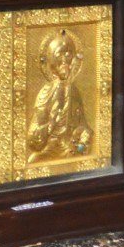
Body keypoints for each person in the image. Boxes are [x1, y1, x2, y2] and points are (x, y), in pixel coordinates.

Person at [27, 28, 92, 164]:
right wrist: (51, 124)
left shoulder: (74, 92)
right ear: (51, 59)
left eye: (69, 55)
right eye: (60, 55)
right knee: (33, 161)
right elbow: (33, 137)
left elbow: (84, 126)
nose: (65, 60)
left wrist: (83, 138)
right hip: (49, 148)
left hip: (71, 147)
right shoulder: (46, 93)